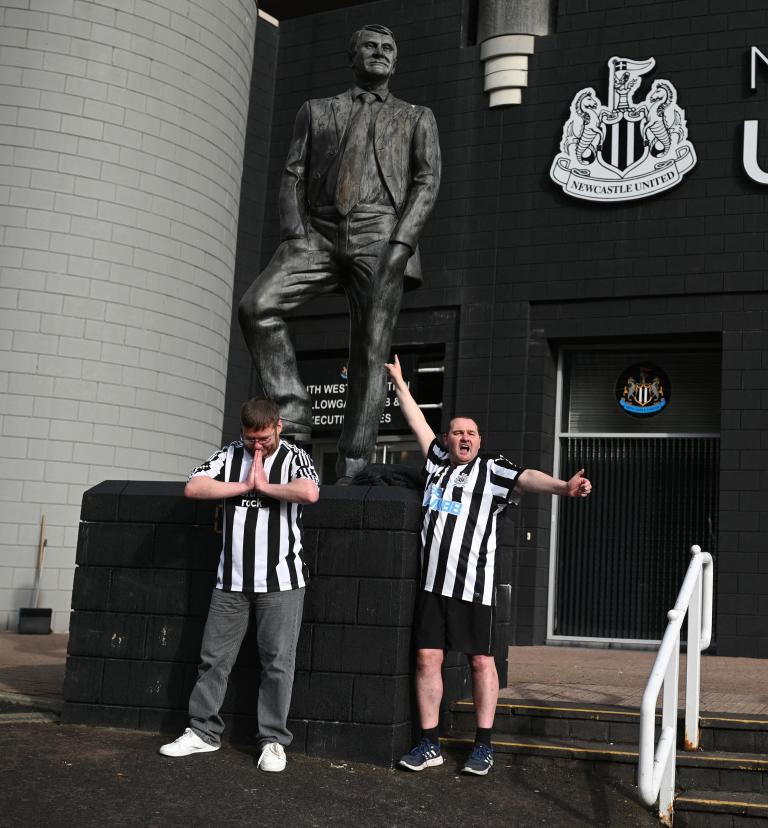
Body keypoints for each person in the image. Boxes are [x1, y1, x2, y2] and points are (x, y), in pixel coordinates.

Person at [238, 23, 441, 484]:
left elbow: (427, 182)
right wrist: (294, 234)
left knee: (371, 349)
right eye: (370, 45)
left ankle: (354, 463)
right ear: (352, 56)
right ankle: (291, 417)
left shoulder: (416, 117)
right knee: (256, 306)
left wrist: (402, 243)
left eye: (389, 47)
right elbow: (292, 174)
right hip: (318, 233)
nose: (380, 52)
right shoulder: (316, 111)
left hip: (381, 234)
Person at [384, 357, 592, 776]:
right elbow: (416, 423)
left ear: (479, 441)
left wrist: (563, 488)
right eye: (458, 432)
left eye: (471, 433)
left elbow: (528, 476)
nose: (465, 438)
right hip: (432, 588)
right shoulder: (437, 462)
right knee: (427, 658)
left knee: (481, 662)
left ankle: (483, 744)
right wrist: (401, 385)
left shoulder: (492, 470)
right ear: (448, 438)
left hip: (473, 589)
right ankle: (429, 743)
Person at [159, 398, 320, 773]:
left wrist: (265, 486)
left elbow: (310, 492)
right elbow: (194, 487)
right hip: (229, 581)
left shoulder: (295, 456)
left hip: (282, 582)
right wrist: (244, 484)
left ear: (278, 426)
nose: (257, 446)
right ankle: (203, 731)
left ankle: (273, 742)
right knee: (213, 660)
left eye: (263, 438)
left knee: (278, 664)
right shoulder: (230, 454)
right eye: (251, 440)